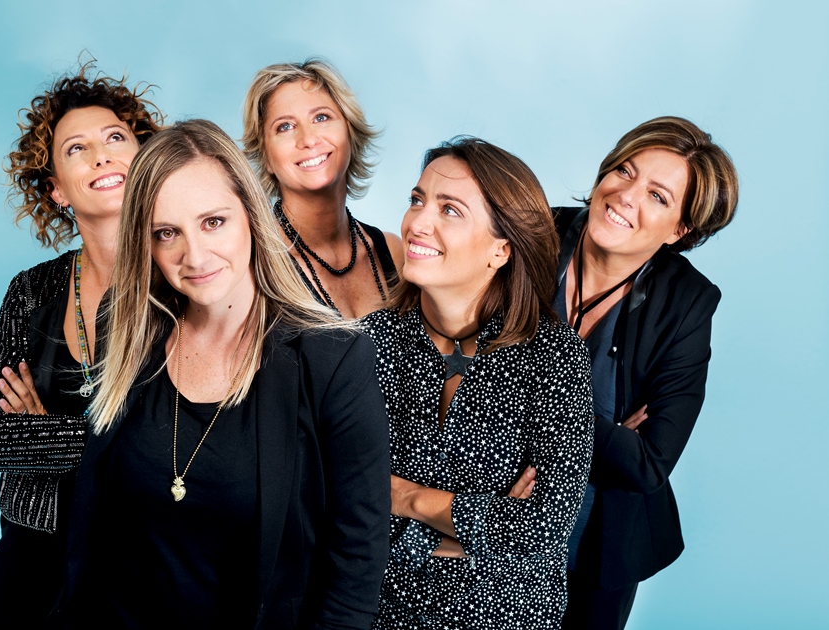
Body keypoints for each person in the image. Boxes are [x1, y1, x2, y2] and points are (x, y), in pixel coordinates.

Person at [49, 119, 391, 628]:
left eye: (213, 222)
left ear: (251, 214)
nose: (194, 255)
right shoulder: (126, 328)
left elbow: (356, 568)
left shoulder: (333, 358)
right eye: (167, 233)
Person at [363, 137, 594, 629]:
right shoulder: (369, 342)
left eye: (450, 210)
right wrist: (478, 527)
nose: (417, 223)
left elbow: (543, 528)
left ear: (500, 250)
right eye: (417, 200)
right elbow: (332, 496)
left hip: (505, 617)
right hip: (375, 614)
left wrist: (404, 498)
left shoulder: (553, 355)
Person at [0, 64, 163, 628]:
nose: (101, 156)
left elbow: (187, 441)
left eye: (115, 138)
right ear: (56, 188)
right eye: (77, 148)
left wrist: (44, 428)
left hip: (144, 555)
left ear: (146, 159)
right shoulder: (32, 290)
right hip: (32, 557)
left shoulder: (186, 279)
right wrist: (118, 443)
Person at [553, 116, 739, 629]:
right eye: (625, 171)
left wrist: (524, 404)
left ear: (680, 230)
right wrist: (608, 433)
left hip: (596, 542)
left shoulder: (687, 303)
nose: (625, 196)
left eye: (657, 196)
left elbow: (648, 463)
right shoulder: (527, 235)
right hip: (482, 511)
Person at [242, 58, 402, 318]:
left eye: (321, 117)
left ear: (349, 130)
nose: (308, 139)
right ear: (266, 156)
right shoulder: (254, 267)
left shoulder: (394, 252)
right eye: (285, 127)